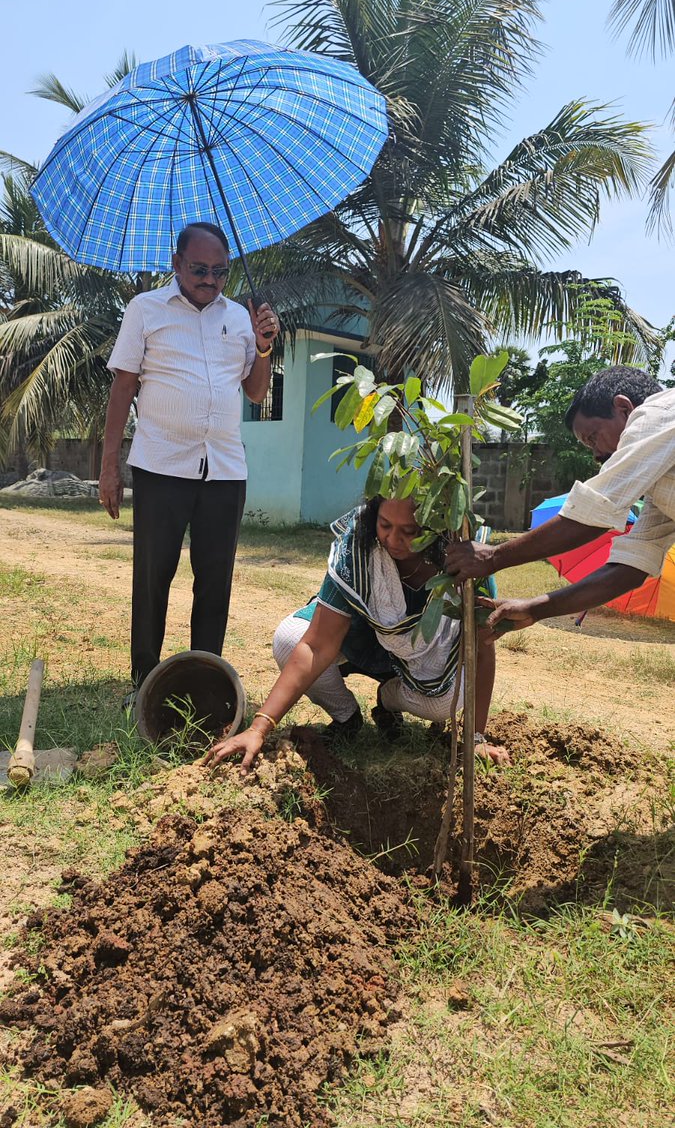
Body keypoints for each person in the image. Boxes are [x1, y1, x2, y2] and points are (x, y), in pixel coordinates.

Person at [98, 222, 280, 690]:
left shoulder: (239, 317)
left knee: (215, 582)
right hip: (161, 467)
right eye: (199, 269)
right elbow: (123, 387)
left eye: (220, 271)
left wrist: (263, 347)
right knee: (153, 578)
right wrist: (109, 465)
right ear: (176, 264)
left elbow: (256, 393)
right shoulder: (145, 310)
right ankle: (144, 683)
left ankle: (205, 683)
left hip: (224, 468)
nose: (209, 280)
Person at [206, 496, 509, 776]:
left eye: (410, 530)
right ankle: (347, 717)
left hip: (417, 661)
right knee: (289, 640)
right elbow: (315, 645)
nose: (393, 539)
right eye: (385, 524)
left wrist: (476, 737)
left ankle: (387, 701)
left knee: (445, 703)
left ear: (437, 527)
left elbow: (481, 649)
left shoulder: (467, 566)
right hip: (353, 641)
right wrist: (259, 728)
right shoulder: (357, 552)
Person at [444, 366, 675, 633]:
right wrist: (534, 609)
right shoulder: (662, 483)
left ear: (624, 409)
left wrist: (494, 557)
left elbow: (593, 513)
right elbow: (631, 567)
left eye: (592, 438)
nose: (596, 455)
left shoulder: (658, 412)